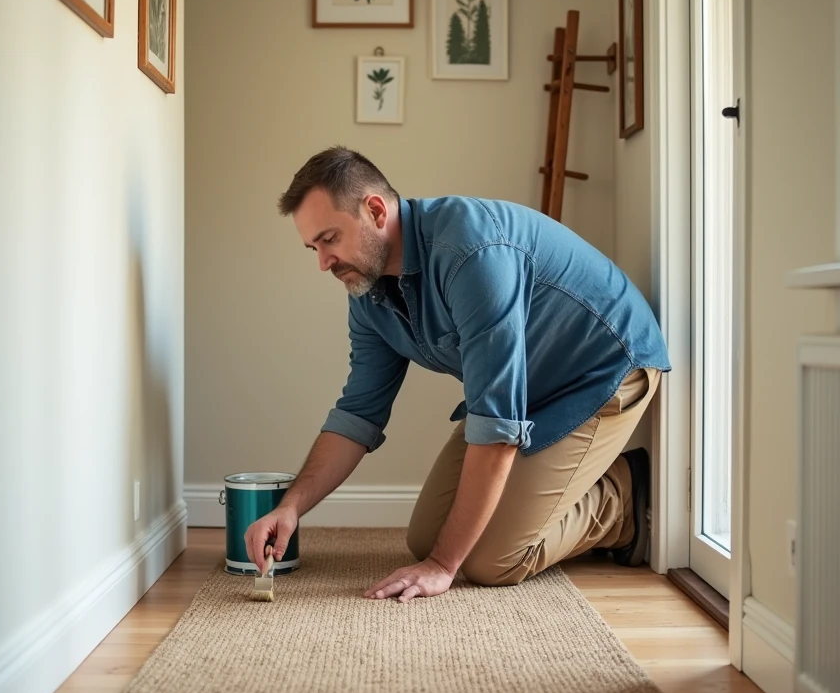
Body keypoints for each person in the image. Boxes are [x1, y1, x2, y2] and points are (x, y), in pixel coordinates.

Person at [245, 146, 671, 603]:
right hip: (523, 389)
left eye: (330, 239)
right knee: (427, 538)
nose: (323, 262)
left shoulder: (470, 253)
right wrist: (290, 506)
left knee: (490, 562)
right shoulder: (367, 293)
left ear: (374, 210)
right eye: (314, 247)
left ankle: (626, 498)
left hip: (601, 370)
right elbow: (359, 412)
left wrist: (442, 567)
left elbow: (497, 425)